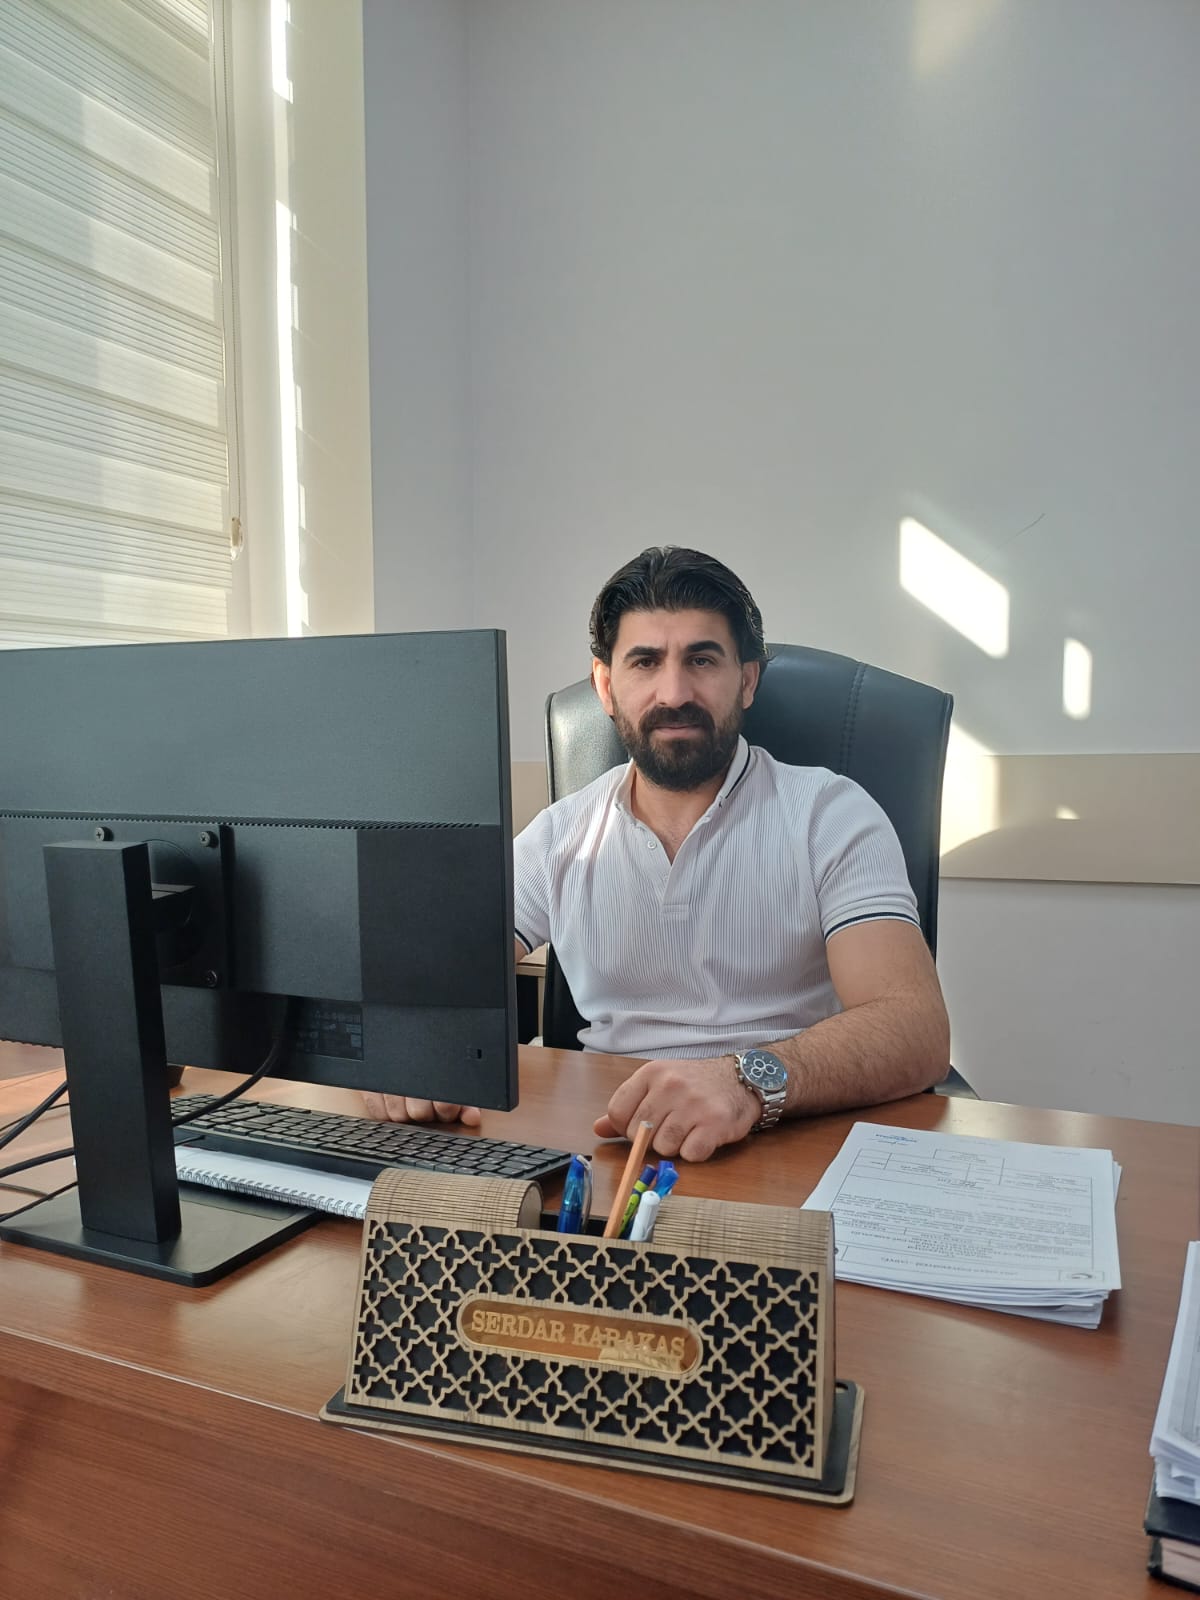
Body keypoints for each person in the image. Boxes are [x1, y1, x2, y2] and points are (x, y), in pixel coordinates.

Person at [363, 546, 950, 1160]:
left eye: (702, 659)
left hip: (788, 1135)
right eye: (645, 662)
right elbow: (435, 975)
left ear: (747, 680)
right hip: (610, 1141)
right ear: (605, 686)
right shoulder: (561, 835)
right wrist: (403, 1049)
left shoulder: (830, 814)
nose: (674, 692)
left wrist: (744, 1082)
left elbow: (915, 1029)